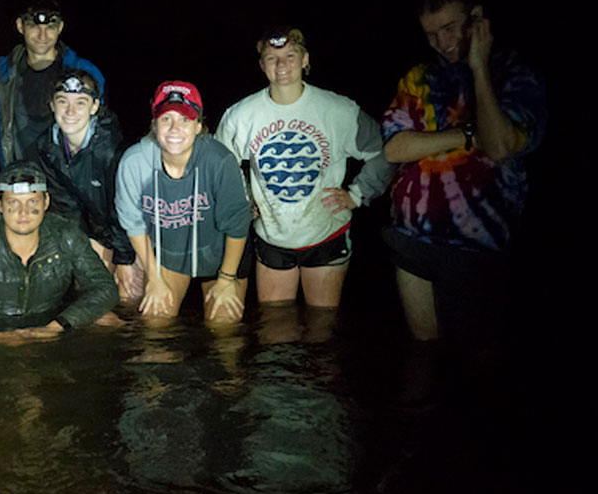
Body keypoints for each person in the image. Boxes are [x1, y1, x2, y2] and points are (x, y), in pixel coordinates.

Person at [381, 0, 545, 351]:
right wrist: (470, 133)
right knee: (423, 355)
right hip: (412, 238)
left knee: (477, 363)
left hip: (478, 246)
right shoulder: (418, 78)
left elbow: (501, 145)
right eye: (431, 33)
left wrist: (478, 67)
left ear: (476, 18)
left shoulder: (514, 75)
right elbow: (396, 148)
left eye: (450, 27)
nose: (442, 41)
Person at [216, 27, 391, 342]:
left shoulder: (338, 110)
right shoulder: (240, 115)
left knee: (321, 333)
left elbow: (385, 151)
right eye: (272, 59)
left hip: (326, 235)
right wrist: (242, 199)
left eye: (289, 57)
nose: (281, 66)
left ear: (305, 60)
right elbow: (221, 166)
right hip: (272, 238)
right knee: (274, 331)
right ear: (262, 65)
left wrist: (357, 194)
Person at [115, 81, 252, 321]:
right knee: (155, 320)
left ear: (199, 125)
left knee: (224, 325)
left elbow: (237, 225)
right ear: (154, 124)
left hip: (220, 253)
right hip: (171, 253)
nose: (174, 129)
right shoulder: (134, 162)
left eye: (185, 120)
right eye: (166, 119)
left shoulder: (219, 161)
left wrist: (227, 279)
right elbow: (134, 225)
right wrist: (155, 279)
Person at [0, 161, 118, 335]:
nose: (24, 212)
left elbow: (104, 288)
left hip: (49, 321)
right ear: (0, 204)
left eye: (33, 201)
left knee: (107, 318)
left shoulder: (66, 235)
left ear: (46, 202)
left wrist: (58, 325)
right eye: (14, 202)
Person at [34, 71, 142, 303]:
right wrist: (77, 252)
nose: (70, 112)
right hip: (98, 231)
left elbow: (123, 209)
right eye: (63, 102)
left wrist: (124, 259)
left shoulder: (111, 150)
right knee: (87, 289)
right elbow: (67, 207)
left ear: (94, 107)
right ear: (52, 105)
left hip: (136, 233)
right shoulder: (47, 146)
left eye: (80, 103)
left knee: (128, 295)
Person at [0, 0, 106, 166]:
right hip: (20, 177)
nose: (42, 35)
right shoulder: (1, 72)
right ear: (20, 26)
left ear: (60, 28)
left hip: (68, 179)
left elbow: (103, 129)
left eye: (50, 27)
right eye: (34, 26)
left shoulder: (85, 72)